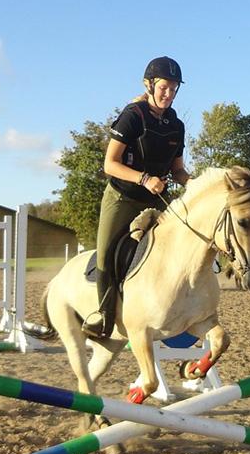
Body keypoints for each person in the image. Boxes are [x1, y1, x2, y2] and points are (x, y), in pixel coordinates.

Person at [81, 56, 191, 339]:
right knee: (106, 255)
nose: (169, 93)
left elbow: (177, 170)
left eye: (174, 88)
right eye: (164, 87)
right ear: (149, 85)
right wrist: (144, 178)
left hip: (156, 200)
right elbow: (110, 164)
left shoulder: (176, 126)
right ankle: (103, 316)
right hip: (123, 197)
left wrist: (194, 183)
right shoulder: (133, 116)